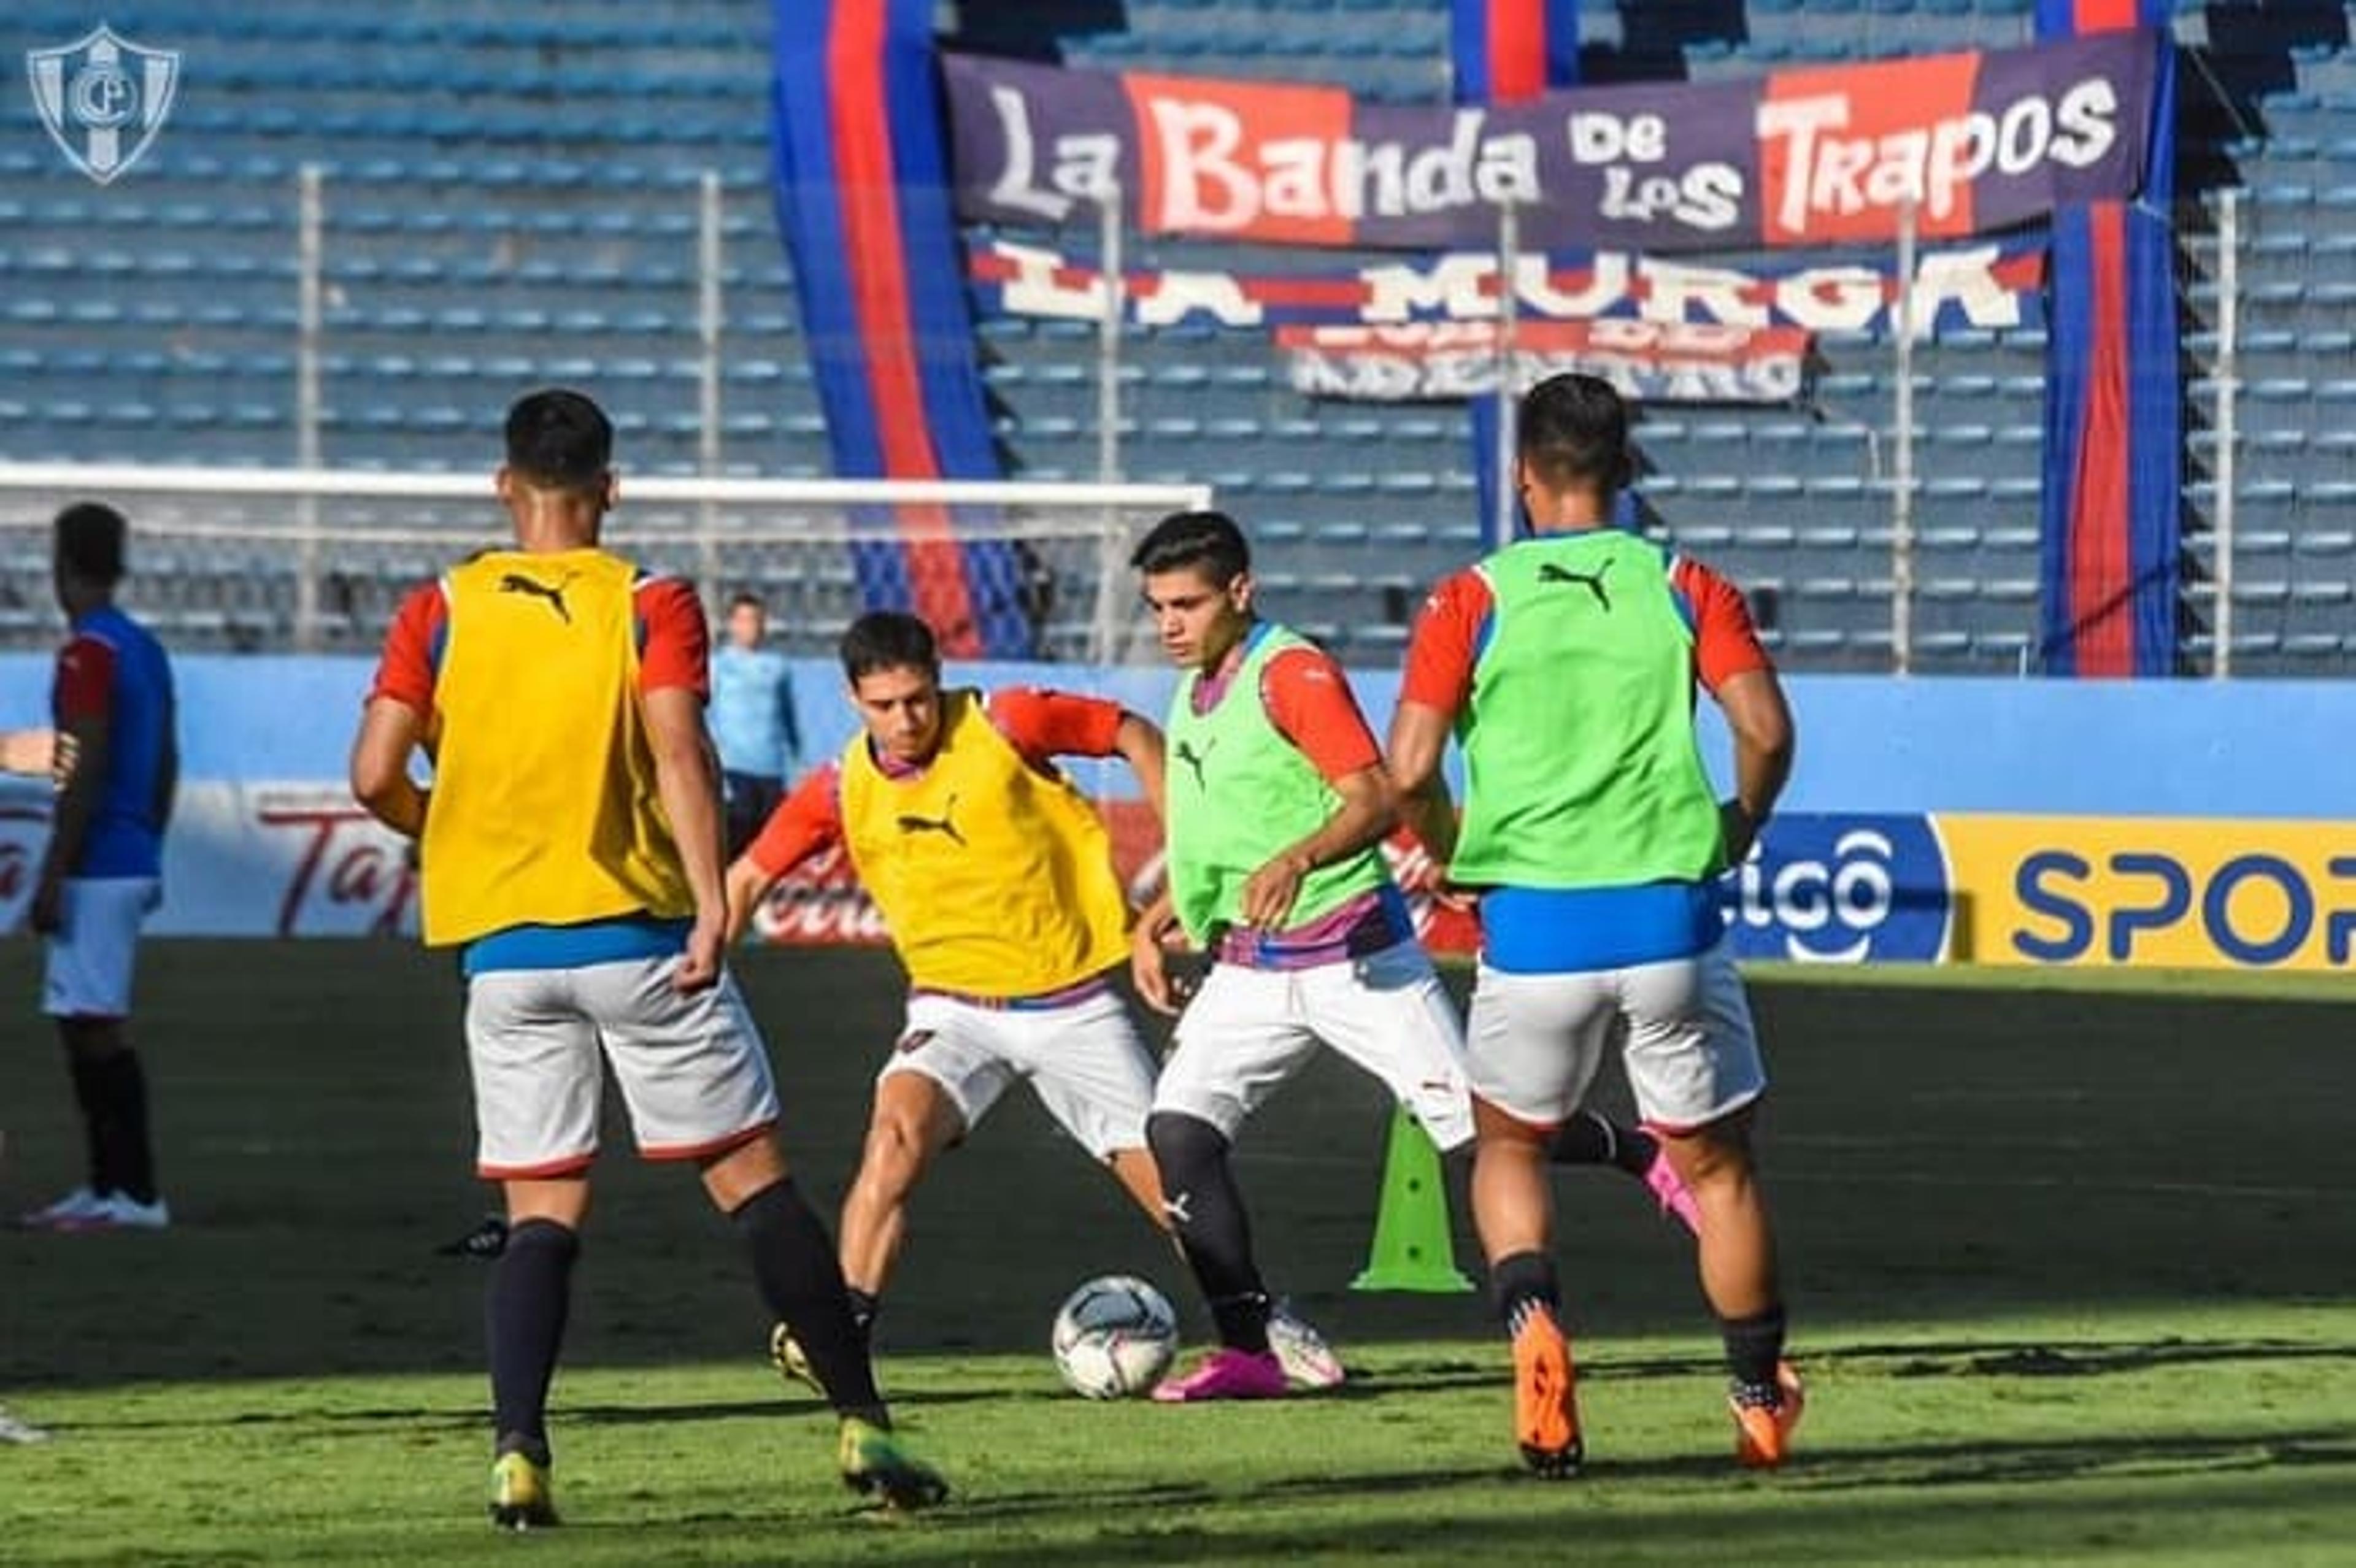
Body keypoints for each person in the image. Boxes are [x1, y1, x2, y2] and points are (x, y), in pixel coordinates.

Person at [349, 388, 947, 1528]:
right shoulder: (650, 601)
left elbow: (374, 774)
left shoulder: (440, 608)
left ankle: (520, 1454)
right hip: (640, 942)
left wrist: (457, 830)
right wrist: (714, 907)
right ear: (611, 490)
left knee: (542, 1212)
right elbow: (680, 749)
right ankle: (865, 1423)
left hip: (506, 958)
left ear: (502, 485)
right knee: (753, 1183)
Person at [1386, 372, 1803, 1476]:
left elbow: (1411, 766)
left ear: (1522, 475)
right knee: (1718, 1174)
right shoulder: (1683, 585)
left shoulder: (1468, 600)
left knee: (1511, 1142)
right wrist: (1739, 826)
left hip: (1534, 930)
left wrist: (1446, 846)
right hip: (1671, 917)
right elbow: (1765, 727)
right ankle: (1759, 1400)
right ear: (1626, 475)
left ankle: (1536, 1328)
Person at [1124, 509, 1478, 1403]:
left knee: (1488, 1144)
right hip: (1250, 967)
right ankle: (1247, 1351)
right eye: (1157, 606)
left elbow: (1377, 797)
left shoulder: (1294, 673)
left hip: (1356, 960)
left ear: (1240, 592)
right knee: (1178, 1132)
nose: (1169, 624)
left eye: (1187, 604)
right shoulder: (1196, 681)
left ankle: (1643, 1159)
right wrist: (1167, 910)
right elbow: (1228, 828)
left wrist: (1298, 859)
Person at [18, 504, 177, 1234]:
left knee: (97, 1027)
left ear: (62, 567)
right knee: (83, 1021)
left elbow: (80, 761)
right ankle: (106, 1187)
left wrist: (55, 869)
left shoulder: (88, 653)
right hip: (129, 851)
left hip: (97, 862)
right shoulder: (143, 647)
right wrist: (148, 838)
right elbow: (168, 759)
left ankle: (133, 1194)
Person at [711, 592, 803, 861]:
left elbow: (789, 718)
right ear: (732, 624)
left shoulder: (778, 667)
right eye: (743, 620)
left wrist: (798, 763)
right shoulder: (718, 666)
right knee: (735, 833)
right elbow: (705, 715)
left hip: (771, 767)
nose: (750, 626)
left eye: (756, 620)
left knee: (768, 843)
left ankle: (764, 899)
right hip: (733, 766)